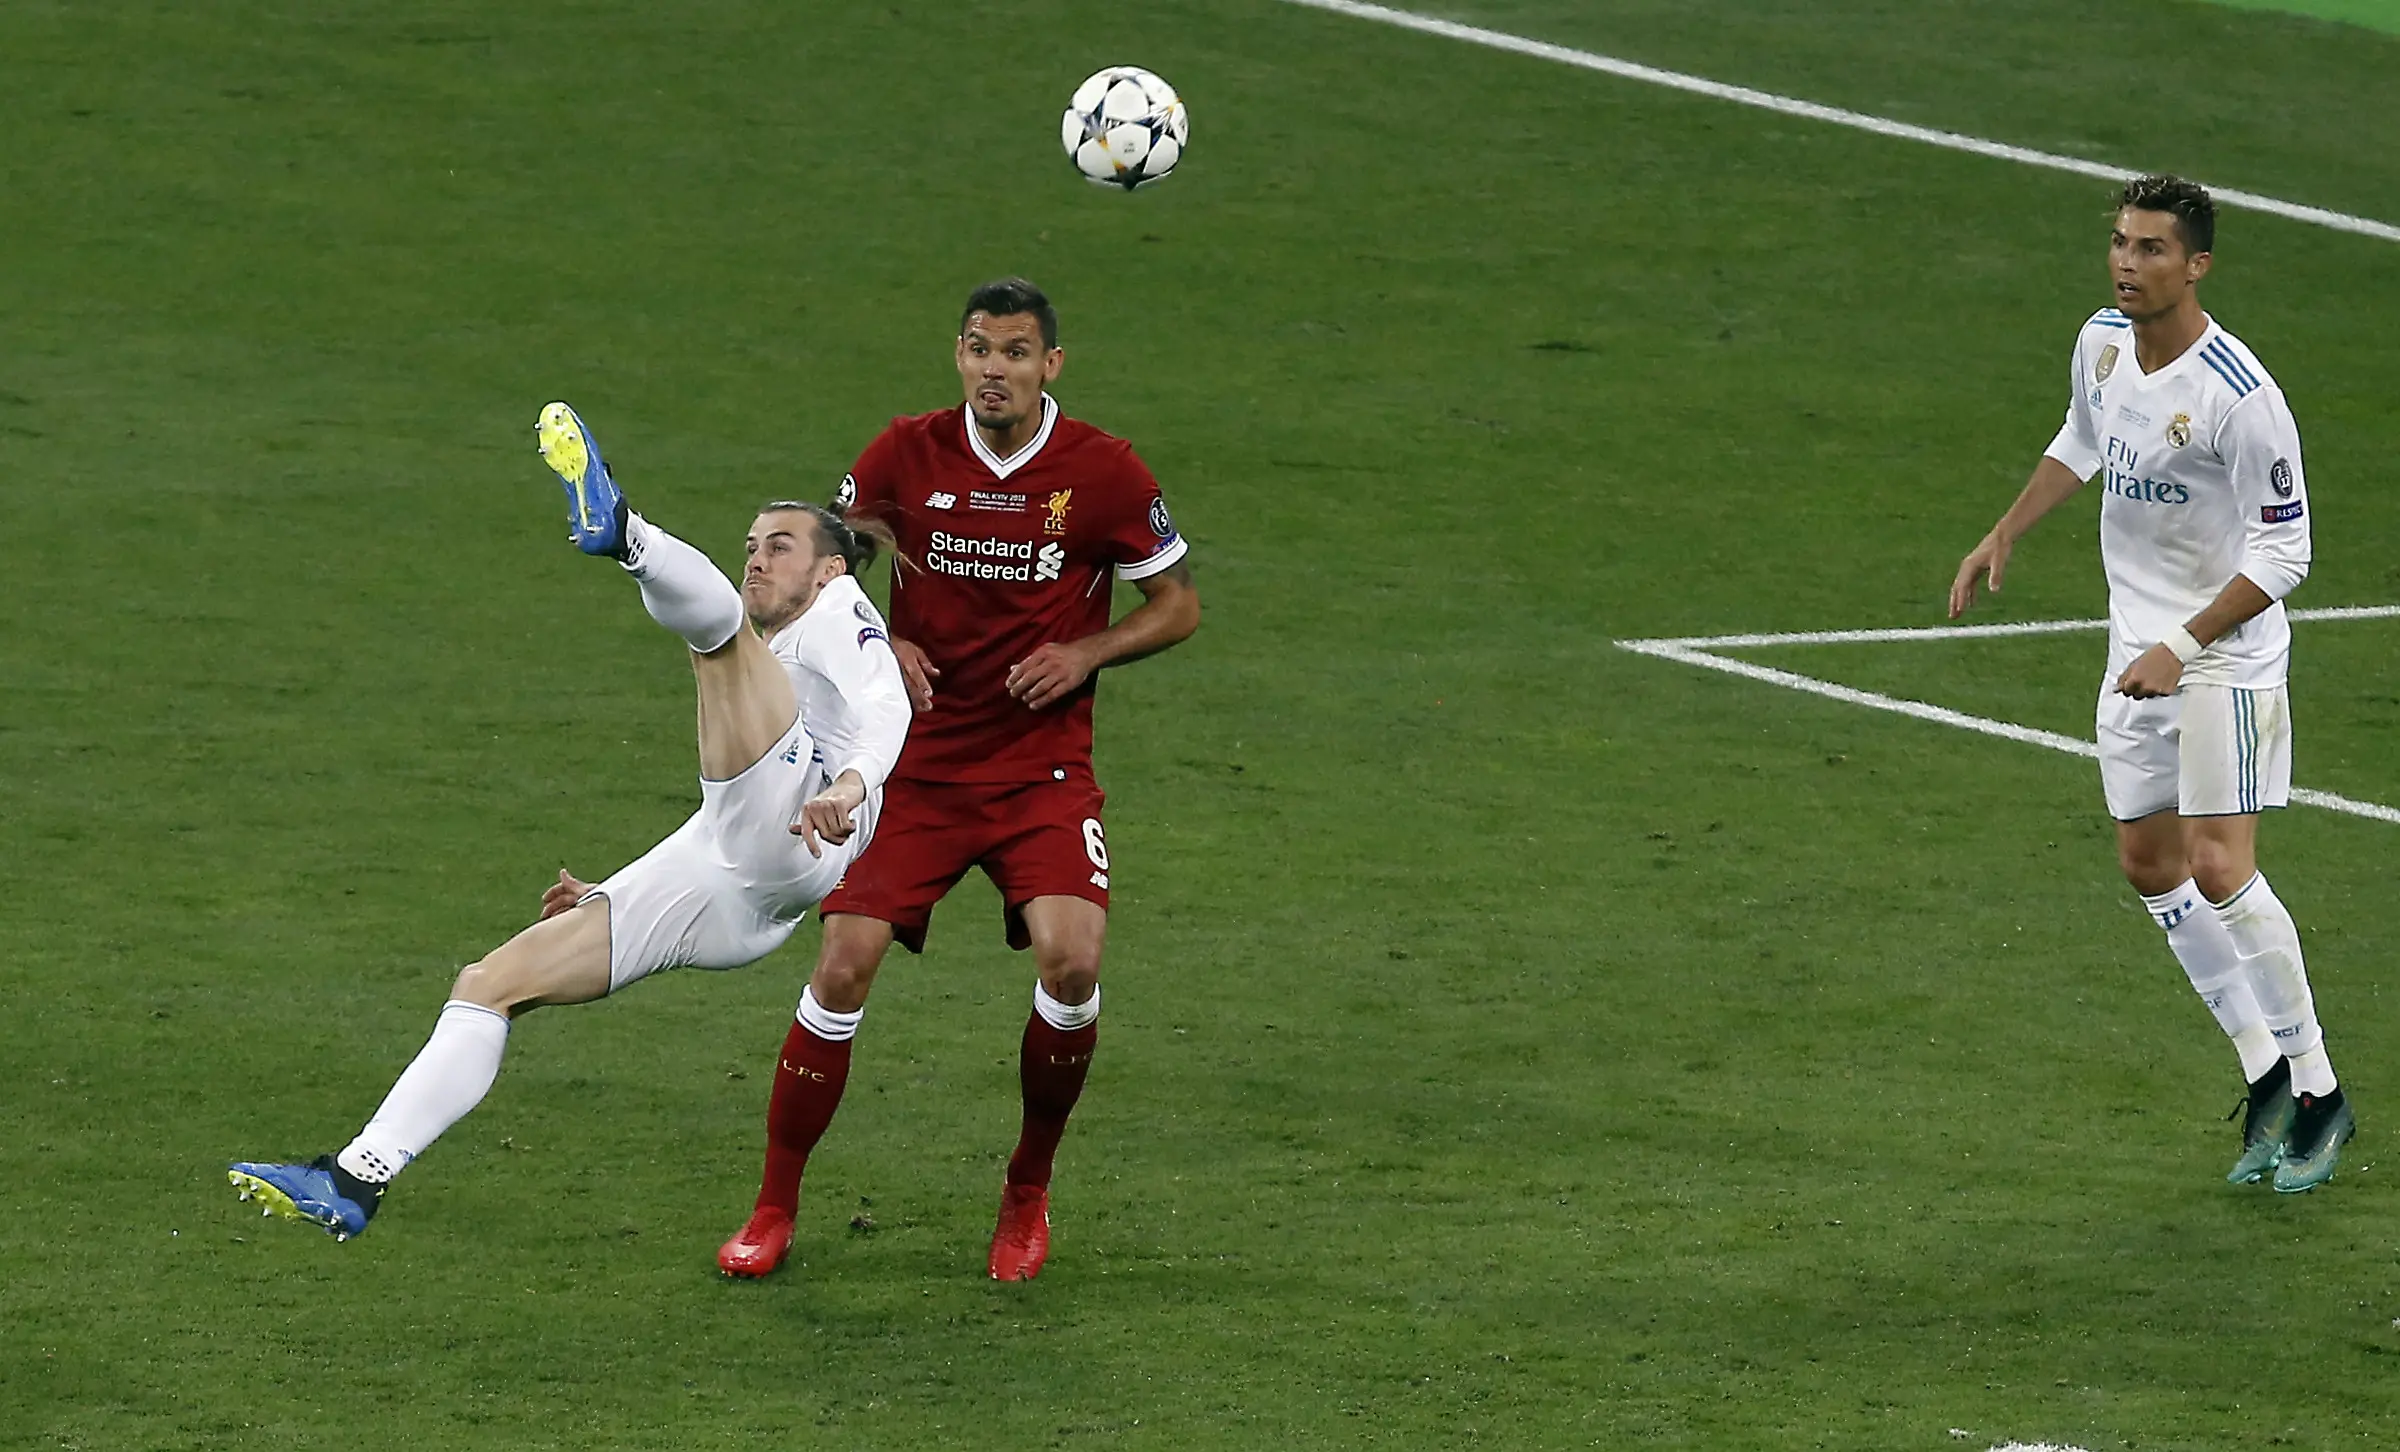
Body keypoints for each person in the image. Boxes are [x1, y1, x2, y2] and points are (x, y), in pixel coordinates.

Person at [228, 403, 911, 1238]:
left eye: (780, 547)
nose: (757, 559)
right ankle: (358, 1174)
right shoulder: (781, 655)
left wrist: (849, 786)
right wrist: (614, 892)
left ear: (831, 570)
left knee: (722, 640)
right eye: (749, 545)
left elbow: (889, 706)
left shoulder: (841, 617)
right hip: (736, 881)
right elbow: (715, 829)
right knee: (489, 985)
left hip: (803, 832)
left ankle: (623, 530)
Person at [716, 278, 1201, 1281]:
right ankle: (772, 1207)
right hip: (912, 762)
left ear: (1050, 366)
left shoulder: (1101, 472)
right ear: (958, 355)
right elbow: (827, 569)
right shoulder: (903, 453)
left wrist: (1087, 653)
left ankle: (1027, 1193)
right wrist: (882, 636)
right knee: (843, 964)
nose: (995, 369)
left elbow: (1179, 604)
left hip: (1041, 768)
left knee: (1073, 965)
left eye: (1016, 353)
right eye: (980, 349)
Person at [1949, 175, 2351, 1192]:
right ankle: (2263, 1072)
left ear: (2197, 264)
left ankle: (2321, 1094)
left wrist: (2183, 642)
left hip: (2221, 660)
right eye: (2121, 244)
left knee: (2220, 866)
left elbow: (2287, 554)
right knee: (2147, 863)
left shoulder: (2239, 396)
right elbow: (2084, 439)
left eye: (2152, 249)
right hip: (2137, 658)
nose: (2128, 263)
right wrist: (2007, 528)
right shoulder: (2099, 343)